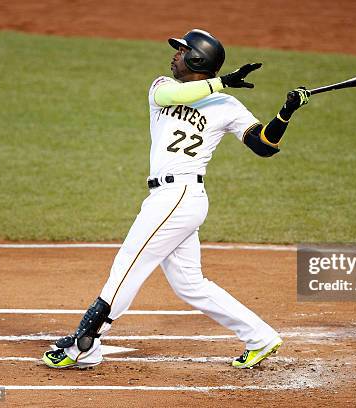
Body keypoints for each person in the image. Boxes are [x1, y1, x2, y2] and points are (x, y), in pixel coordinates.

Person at [41, 29, 310, 369]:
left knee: (128, 265)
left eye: (181, 50)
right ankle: (260, 337)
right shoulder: (161, 87)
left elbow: (262, 145)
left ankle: (85, 343)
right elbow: (173, 98)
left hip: (180, 196)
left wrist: (284, 113)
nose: (174, 55)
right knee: (189, 284)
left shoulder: (227, 106)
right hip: (172, 198)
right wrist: (223, 81)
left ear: (197, 59)